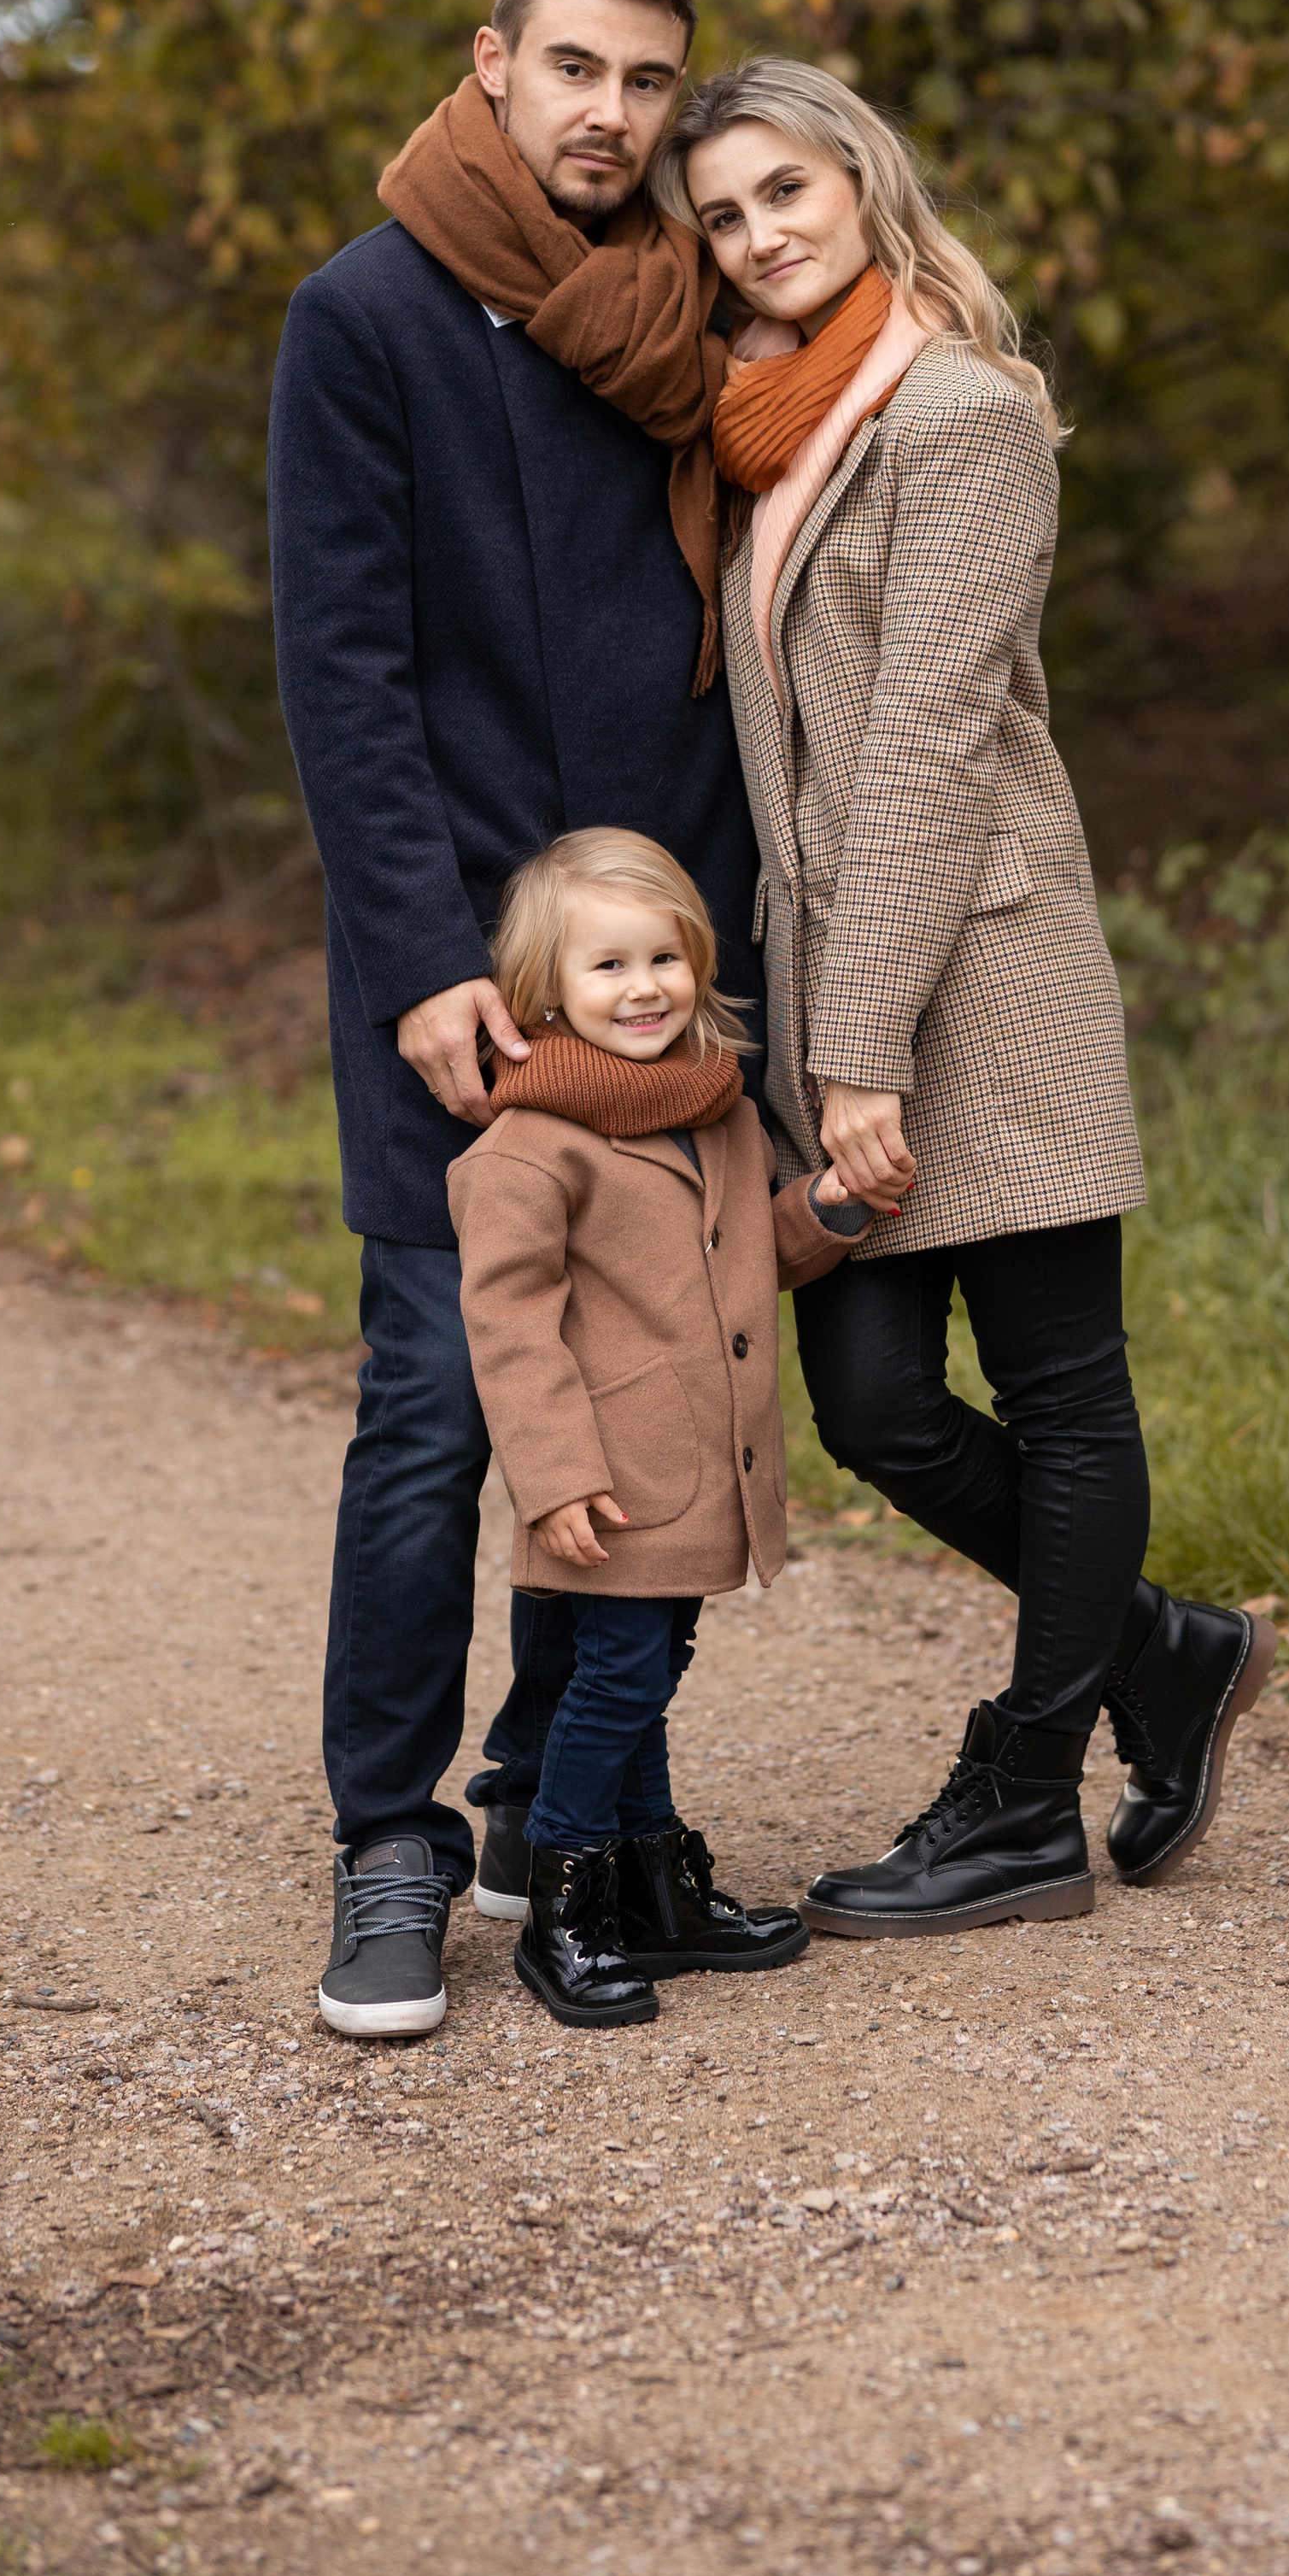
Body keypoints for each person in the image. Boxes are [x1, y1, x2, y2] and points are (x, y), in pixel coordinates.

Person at [649, 62, 1271, 1938]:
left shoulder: (963, 412)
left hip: (981, 975)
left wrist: (856, 1054)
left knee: (1060, 1385)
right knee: (873, 1403)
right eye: (722, 216)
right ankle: (1161, 1654)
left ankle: (1021, 1796)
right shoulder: (764, 426)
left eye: (783, 191)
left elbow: (926, 737)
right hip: (834, 971)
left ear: (860, 178)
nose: (757, 235)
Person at [268, 0, 755, 2041]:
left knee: (639, 1387)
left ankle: (570, 1819)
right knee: (436, 1406)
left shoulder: (686, 312)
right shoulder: (361, 315)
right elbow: (342, 668)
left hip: (658, 961)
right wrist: (411, 961)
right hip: (458, 965)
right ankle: (387, 1837)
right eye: (573, 68)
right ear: (490, 62)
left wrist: (725, 958)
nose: (609, 115)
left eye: (647, 81)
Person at [446, 826, 876, 2026]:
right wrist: (552, 1477)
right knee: (620, 1678)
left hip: (702, 1464)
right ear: (543, 992)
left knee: (646, 1668)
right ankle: (568, 1902)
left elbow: (741, 1260)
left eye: (664, 959)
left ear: (699, 963)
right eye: (608, 967)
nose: (643, 989)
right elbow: (509, 1327)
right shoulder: (528, 1150)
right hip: (612, 1475)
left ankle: (651, 1884)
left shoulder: (717, 1113)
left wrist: (826, 1209)